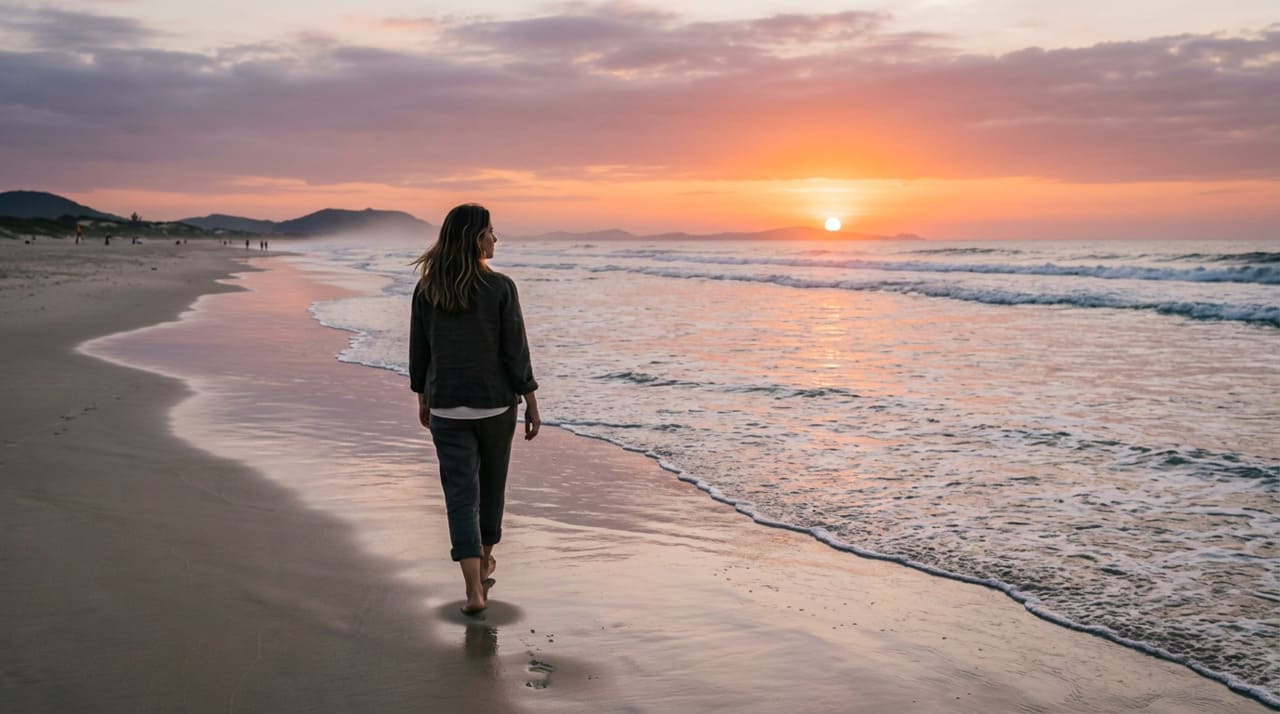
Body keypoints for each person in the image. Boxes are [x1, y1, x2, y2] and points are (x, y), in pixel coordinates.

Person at [408, 203, 540, 614]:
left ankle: (473, 591)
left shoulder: (428, 288)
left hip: (447, 405)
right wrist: (531, 400)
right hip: (496, 405)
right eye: (490, 232)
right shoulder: (501, 287)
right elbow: (515, 351)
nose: (495, 239)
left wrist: (423, 396)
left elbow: (420, 351)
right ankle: (483, 566)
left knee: (461, 496)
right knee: (492, 486)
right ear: (474, 238)